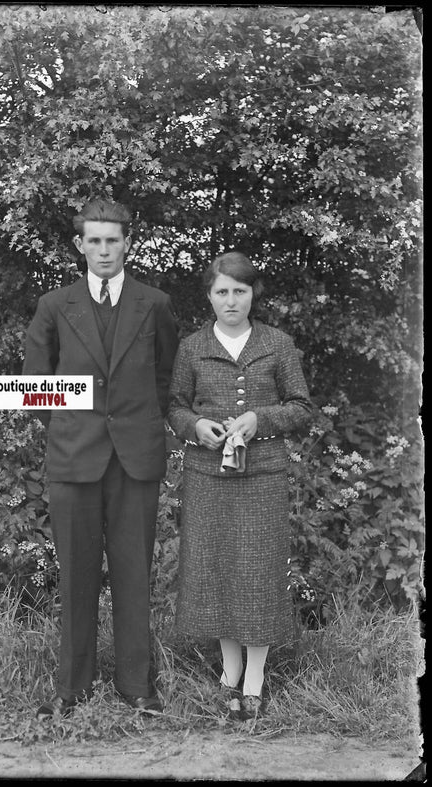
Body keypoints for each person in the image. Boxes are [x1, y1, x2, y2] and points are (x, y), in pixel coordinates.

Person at [23, 199, 178, 717]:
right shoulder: (54, 305)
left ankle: (136, 685)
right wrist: (70, 428)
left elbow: (166, 378)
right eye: (95, 240)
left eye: (113, 240)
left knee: (134, 573)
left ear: (127, 243)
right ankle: (72, 687)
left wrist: (140, 424)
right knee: (76, 574)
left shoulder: (154, 303)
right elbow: (35, 385)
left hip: (136, 459)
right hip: (74, 458)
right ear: (80, 245)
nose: (105, 250)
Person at [168, 251, 312, 721]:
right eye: (222, 291)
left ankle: (255, 679)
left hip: (262, 476)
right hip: (208, 477)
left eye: (240, 291)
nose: (231, 301)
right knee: (219, 572)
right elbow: (175, 406)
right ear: (209, 296)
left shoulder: (278, 343)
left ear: (253, 294)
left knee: (258, 574)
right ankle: (230, 672)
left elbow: (301, 408)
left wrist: (259, 419)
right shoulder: (192, 346)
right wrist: (195, 426)